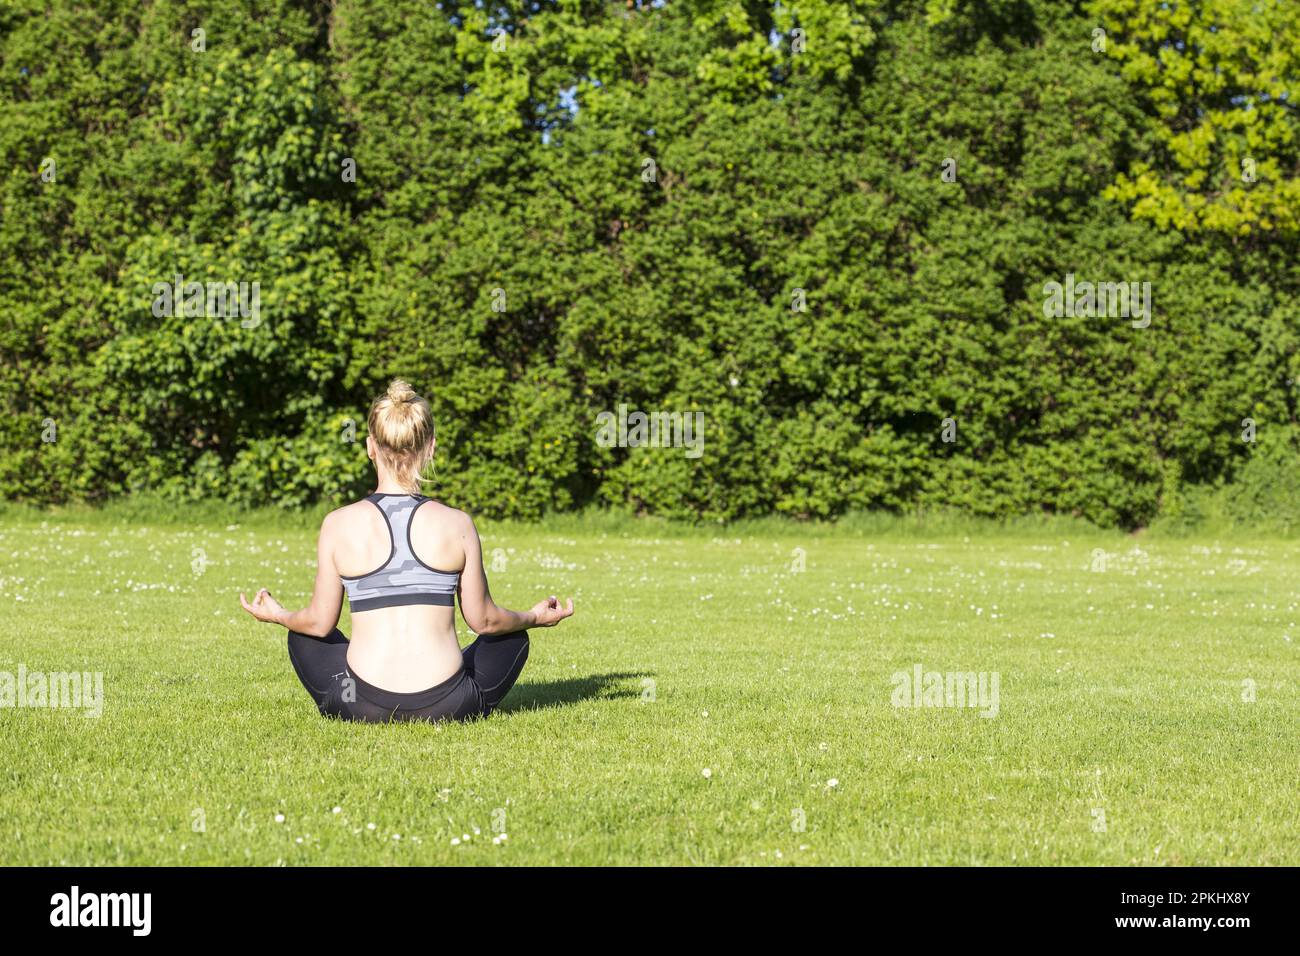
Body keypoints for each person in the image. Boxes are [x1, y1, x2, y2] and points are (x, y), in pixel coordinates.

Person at [239, 379, 574, 722]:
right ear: (430, 448)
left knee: (302, 635)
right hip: (450, 703)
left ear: (371, 446)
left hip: (359, 703)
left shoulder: (338, 523)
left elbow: (319, 623)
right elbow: (485, 621)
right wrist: (533, 618)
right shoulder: (457, 524)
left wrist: (278, 615)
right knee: (512, 635)